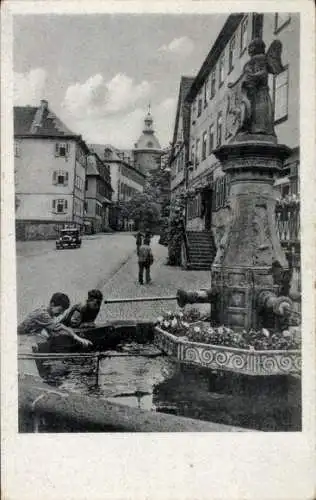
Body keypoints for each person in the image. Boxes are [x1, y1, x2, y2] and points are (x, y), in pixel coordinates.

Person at [18, 292, 92, 348]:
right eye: (60, 309)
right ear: (52, 304)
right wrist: (78, 338)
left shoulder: (48, 313)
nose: (61, 313)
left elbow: (54, 329)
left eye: (63, 311)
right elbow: (59, 327)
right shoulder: (43, 314)